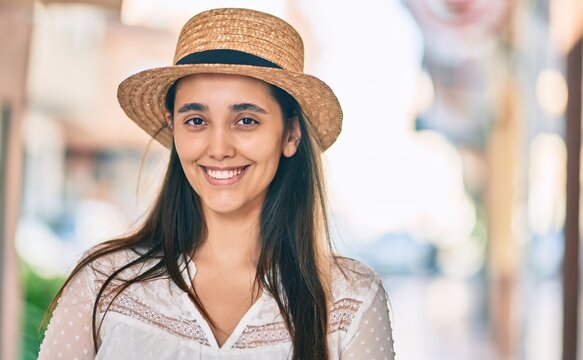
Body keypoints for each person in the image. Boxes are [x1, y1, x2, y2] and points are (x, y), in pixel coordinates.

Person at [38, 7, 395, 360]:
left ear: (291, 134)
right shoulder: (104, 281)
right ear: (172, 127)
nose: (219, 148)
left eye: (246, 121)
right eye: (196, 120)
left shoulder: (351, 300)